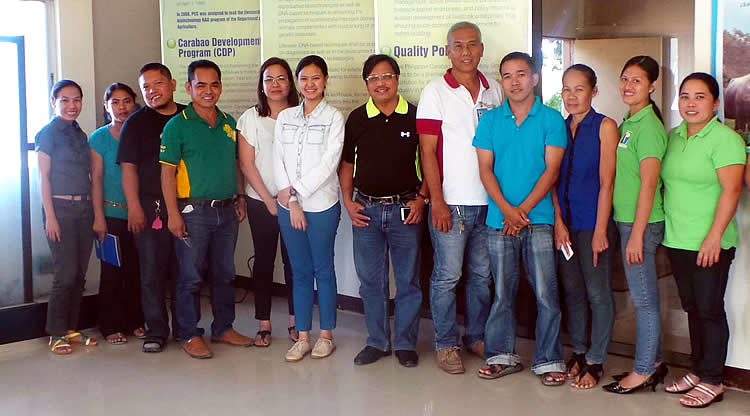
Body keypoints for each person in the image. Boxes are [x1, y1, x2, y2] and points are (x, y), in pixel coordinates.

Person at [473, 52, 567, 386]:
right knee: (502, 293)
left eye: (521, 74)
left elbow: (551, 170)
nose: (515, 81)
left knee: (546, 293)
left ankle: (550, 360)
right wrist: (508, 212)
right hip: (500, 221)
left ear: (535, 79)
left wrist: (522, 211)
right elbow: (485, 170)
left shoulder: (551, 119)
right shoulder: (490, 121)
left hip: (539, 219)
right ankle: (501, 356)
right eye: (507, 75)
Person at [416, 21, 502, 374]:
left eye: (472, 45)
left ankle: (477, 336)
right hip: (451, 202)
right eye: (458, 45)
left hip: (490, 202)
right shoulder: (435, 92)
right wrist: (436, 200)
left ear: (481, 48)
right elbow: (428, 151)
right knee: (447, 276)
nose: (465, 52)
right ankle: (446, 342)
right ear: (447, 50)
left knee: (482, 276)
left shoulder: (494, 90)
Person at [660, 72, 745, 408]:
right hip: (678, 238)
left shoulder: (725, 140)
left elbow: (732, 189)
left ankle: (713, 379)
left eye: (699, 97)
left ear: (715, 103)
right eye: (685, 96)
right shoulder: (675, 136)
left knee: (709, 310)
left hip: (712, 242)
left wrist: (714, 237)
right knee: (692, 308)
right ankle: (697, 369)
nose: (690, 103)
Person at [339, 54, 427, 368]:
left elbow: (431, 161)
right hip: (366, 210)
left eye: (387, 76)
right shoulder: (357, 118)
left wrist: (422, 198)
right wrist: (348, 202)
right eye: (374, 78)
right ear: (367, 84)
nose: (381, 83)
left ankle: (405, 343)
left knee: (408, 281)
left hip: (406, 209)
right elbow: (347, 164)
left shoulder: (415, 115)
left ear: (397, 79)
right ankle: (377, 342)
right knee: (371, 282)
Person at [160, 59, 252, 359]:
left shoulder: (228, 122)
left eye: (214, 85)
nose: (208, 91)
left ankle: (223, 328)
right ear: (188, 87)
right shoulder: (177, 125)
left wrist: (240, 196)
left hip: (226, 211)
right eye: (201, 85)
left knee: (225, 273)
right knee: (190, 276)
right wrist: (173, 214)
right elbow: (167, 174)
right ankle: (188, 333)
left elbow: (236, 164)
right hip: (192, 213)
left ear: (221, 87)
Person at [602, 55, 669, 394]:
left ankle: (642, 371)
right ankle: (654, 363)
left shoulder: (650, 129)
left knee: (644, 302)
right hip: (627, 222)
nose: (628, 86)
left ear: (652, 86)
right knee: (643, 298)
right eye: (625, 78)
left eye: (637, 81)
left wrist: (637, 235)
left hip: (640, 225)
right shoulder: (630, 121)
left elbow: (648, 185)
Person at [552, 65, 619, 389]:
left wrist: (601, 231)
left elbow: (607, 183)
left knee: (598, 293)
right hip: (565, 227)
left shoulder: (605, 126)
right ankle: (578, 352)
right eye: (566, 89)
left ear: (593, 92)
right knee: (573, 292)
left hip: (594, 225)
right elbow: (551, 180)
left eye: (579, 89)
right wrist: (558, 224)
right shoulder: (557, 127)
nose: (571, 96)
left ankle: (596, 359)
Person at [274, 55, 344, 362]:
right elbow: (278, 160)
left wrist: (296, 194)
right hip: (289, 206)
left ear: (325, 80)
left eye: (315, 78)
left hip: (322, 205)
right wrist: (290, 201)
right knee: (300, 272)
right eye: (304, 78)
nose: (309, 84)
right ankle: (302, 336)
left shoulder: (334, 118)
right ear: (297, 82)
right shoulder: (286, 117)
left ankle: (326, 335)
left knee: (322, 269)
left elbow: (329, 164)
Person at [117, 63, 186, 353]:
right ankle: (155, 330)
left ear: (172, 84)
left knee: (185, 272)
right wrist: (133, 206)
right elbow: (128, 168)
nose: (152, 91)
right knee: (152, 272)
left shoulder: (187, 117)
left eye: (157, 84)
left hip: (186, 204)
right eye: (145, 87)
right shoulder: (136, 122)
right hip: (149, 206)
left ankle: (186, 328)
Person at [237, 57, 299, 346]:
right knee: (263, 262)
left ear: (290, 83)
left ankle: (295, 321)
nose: (275, 85)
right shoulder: (250, 118)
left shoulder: (301, 114)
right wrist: (268, 200)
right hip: (260, 202)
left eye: (281, 78)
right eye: (269, 79)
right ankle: (263, 323)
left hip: (296, 202)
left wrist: (288, 199)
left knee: (294, 263)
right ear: (261, 85)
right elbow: (247, 164)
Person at [36, 79, 98, 354]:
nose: (72, 106)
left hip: (84, 209)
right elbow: (43, 178)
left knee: (80, 273)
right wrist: (50, 216)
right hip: (59, 210)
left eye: (76, 100)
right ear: (54, 102)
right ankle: (56, 332)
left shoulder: (80, 133)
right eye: (65, 100)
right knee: (66, 273)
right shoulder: (47, 134)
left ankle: (72, 328)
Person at [90, 82, 145, 345]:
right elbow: (96, 179)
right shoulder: (98, 138)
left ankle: (136, 320)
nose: (122, 107)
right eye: (115, 102)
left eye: (126, 101)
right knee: (112, 272)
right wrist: (98, 217)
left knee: (137, 271)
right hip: (111, 214)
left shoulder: (142, 133)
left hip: (141, 214)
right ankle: (110, 325)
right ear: (106, 106)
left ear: (134, 102)